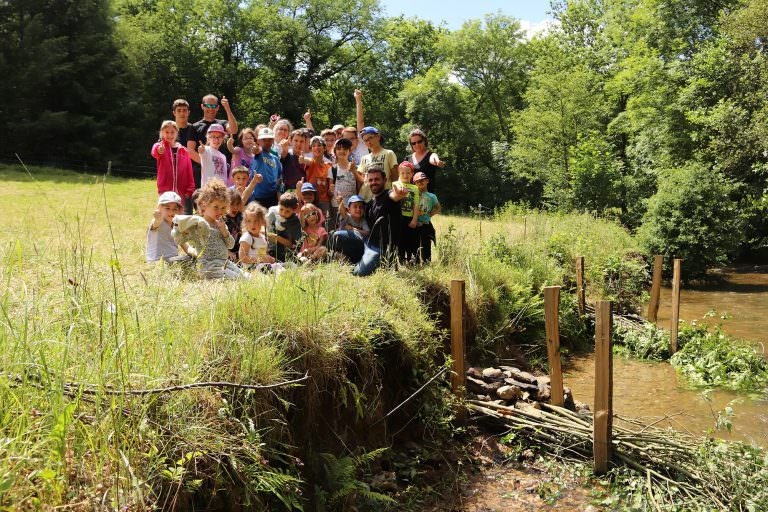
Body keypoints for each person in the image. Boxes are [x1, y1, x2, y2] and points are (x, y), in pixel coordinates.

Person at [329, 165, 409, 276]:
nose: (373, 182)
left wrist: (399, 194)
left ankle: (375, 263)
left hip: (380, 249)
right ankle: (356, 257)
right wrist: (341, 203)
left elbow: (394, 195)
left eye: (377, 179)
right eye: (371, 180)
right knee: (336, 236)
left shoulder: (388, 196)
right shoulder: (371, 203)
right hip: (367, 241)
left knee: (358, 273)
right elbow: (349, 215)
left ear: (385, 180)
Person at [172, 179, 246, 279]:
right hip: (209, 265)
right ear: (204, 205)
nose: (220, 211)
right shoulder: (199, 224)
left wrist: (224, 231)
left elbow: (230, 245)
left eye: (223, 208)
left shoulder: (221, 224)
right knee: (234, 278)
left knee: (245, 277)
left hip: (224, 262)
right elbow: (179, 236)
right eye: (216, 207)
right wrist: (190, 250)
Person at [192, 94, 239, 187]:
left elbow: (234, 130)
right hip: (202, 176)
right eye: (208, 105)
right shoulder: (195, 127)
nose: (211, 108)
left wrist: (227, 109)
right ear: (202, 106)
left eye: (214, 106)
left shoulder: (222, 123)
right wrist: (206, 162)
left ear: (218, 107)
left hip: (221, 175)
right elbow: (191, 150)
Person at [151, 121, 195, 213]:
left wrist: (190, 189)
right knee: (164, 215)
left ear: (177, 133)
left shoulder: (183, 151)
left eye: (172, 132)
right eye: (167, 132)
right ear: (162, 133)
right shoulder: (159, 146)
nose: (169, 135)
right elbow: (155, 152)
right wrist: (159, 151)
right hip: (164, 190)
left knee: (178, 217)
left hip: (181, 192)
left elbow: (189, 171)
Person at [146, 191, 193, 263]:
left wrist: (196, 254)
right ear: (159, 208)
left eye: (175, 209)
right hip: (158, 261)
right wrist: (158, 218)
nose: (171, 212)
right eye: (167, 208)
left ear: (179, 211)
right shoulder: (158, 222)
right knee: (186, 260)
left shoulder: (177, 226)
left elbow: (185, 246)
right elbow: (156, 224)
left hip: (173, 259)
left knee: (192, 258)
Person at [357, 126, 398, 201]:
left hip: (384, 196)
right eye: (365, 140)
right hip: (366, 198)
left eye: (371, 138)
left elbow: (395, 177)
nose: (369, 142)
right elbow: (362, 181)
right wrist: (353, 171)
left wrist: (395, 195)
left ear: (378, 137)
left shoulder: (389, 153)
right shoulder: (364, 158)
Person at [244, 128, 282, 208]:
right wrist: (255, 149)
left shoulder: (275, 158)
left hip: (273, 197)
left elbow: (279, 178)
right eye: (264, 140)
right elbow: (256, 150)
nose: (267, 142)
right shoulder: (259, 154)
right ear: (258, 141)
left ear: (273, 140)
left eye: (269, 139)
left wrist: (278, 194)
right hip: (258, 197)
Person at [303, 136, 334, 227]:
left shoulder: (329, 166)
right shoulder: (311, 162)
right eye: (314, 146)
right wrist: (302, 159)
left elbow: (330, 185)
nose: (316, 148)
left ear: (324, 148)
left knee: (327, 225)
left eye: (319, 145)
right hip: (311, 200)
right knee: (311, 226)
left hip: (325, 200)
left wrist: (331, 191)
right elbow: (306, 161)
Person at [406, 128, 445, 193]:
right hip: (411, 197)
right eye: (413, 143)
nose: (417, 145)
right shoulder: (407, 158)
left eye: (419, 141)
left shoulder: (431, 155)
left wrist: (437, 162)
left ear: (424, 141)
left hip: (427, 198)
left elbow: (434, 158)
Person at [395, 161, 420, 263]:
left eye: (408, 173)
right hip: (398, 217)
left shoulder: (415, 188)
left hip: (409, 217)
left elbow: (416, 204)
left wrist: (414, 220)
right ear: (399, 174)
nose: (405, 175)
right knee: (400, 239)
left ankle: (410, 258)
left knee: (410, 238)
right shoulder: (395, 184)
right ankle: (400, 259)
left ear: (412, 174)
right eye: (402, 173)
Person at [413, 172, 441, 263]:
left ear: (427, 181)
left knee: (426, 243)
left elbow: (438, 208)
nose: (420, 182)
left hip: (425, 223)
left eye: (422, 180)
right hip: (414, 223)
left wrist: (430, 215)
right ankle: (414, 262)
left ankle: (426, 262)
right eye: (417, 181)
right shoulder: (413, 194)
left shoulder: (432, 196)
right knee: (414, 243)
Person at [239, 202, 276, 268]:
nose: (252, 224)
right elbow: (242, 258)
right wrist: (259, 260)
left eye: (256, 221)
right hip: (251, 268)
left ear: (262, 221)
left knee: (282, 265)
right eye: (249, 221)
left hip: (262, 265)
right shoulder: (247, 237)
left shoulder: (263, 237)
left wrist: (269, 259)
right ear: (245, 222)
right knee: (272, 268)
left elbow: (262, 254)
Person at [330, 138, 359, 222]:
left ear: (349, 151)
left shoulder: (355, 167)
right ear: (335, 151)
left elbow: (359, 187)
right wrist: (331, 191)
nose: (342, 151)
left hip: (353, 206)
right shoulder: (332, 169)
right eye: (339, 149)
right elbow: (329, 191)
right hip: (337, 205)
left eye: (345, 148)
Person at [268, 192, 302, 262]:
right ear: (278, 204)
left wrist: (276, 237)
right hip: (268, 250)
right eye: (281, 209)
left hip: (284, 254)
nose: (283, 213)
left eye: (287, 211)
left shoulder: (294, 222)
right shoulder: (273, 214)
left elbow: (291, 245)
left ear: (294, 210)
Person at [280, 129, 308, 195]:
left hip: (303, 191)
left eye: (301, 141)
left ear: (305, 143)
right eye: (296, 140)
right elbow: (283, 154)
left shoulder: (307, 159)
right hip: (288, 192)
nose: (298, 143)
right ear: (291, 141)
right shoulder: (287, 154)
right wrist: (284, 148)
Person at [224, 188, 244, 261]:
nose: (235, 207)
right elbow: (218, 241)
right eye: (232, 204)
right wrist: (227, 252)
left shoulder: (241, 216)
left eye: (237, 204)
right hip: (226, 253)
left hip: (240, 252)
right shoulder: (221, 219)